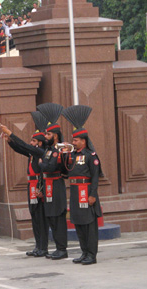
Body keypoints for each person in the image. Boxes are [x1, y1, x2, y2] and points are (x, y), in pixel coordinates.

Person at [0, 111, 49, 257]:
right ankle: (38, 246)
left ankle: (43, 247)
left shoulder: (41, 153)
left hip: (39, 188)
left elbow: (25, 146)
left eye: (33, 142)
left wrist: (12, 133)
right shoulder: (32, 154)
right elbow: (21, 148)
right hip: (31, 187)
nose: (31, 144)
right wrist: (10, 141)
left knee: (41, 218)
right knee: (34, 217)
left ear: (39, 143)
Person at [62, 105, 102, 265]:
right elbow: (66, 171)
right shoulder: (72, 155)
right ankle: (84, 252)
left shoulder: (91, 156)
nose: (73, 142)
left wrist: (93, 194)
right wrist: (65, 155)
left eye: (76, 140)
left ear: (84, 141)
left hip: (87, 191)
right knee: (78, 222)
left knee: (89, 225)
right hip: (74, 191)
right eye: (73, 140)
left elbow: (95, 177)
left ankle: (92, 254)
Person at [36, 103, 68, 260]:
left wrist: (43, 164)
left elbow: (49, 167)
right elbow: (44, 167)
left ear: (55, 136)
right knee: (51, 218)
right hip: (48, 186)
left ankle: (62, 249)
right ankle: (57, 248)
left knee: (58, 218)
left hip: (56, 186)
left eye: (48, 135)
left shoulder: (57, 151)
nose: (45, 137)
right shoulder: (48, 151)